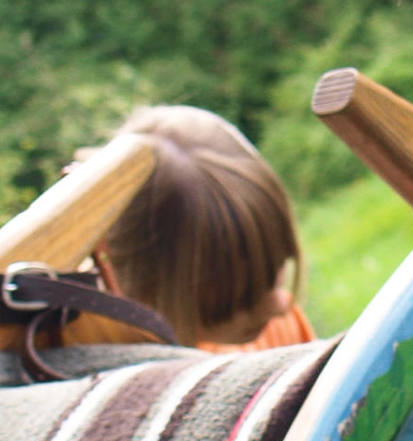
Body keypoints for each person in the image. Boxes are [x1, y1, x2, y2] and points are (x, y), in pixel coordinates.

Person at [81, 105, 316, 352]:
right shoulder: (89, 352)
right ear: (136, 283)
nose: (280, 306)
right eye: (238, 300)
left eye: (276, 270)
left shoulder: (278, 329)